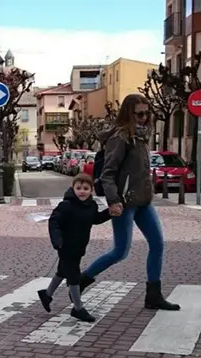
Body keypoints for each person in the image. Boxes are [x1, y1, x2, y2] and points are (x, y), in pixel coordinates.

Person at [76, 94, 180, 311]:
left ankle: (153, 295)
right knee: (120, 252)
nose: (144, 118)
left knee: (158, 244)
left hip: (143, 201)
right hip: (124, 203)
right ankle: (81, 281)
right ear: (128, 114)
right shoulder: (120, 138)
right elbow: (107, 174)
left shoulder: (141, 136)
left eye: (147, 113)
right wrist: (114, 201)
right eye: (139, 114)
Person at [37, 173, 110, 322]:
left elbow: (96, 219)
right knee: (74, 277)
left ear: (91, 190)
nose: (82, 191)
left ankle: (47, 294)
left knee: (62, 271)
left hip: (79, 247)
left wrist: (109, 213)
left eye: (86, 188)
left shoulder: (91, 206)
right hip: (65, 246)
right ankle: (78, 308)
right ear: (73, 188)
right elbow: (54, 222)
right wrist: (57, 240)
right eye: (79, 188)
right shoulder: (66, 206)